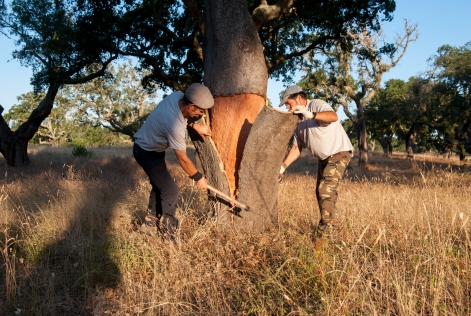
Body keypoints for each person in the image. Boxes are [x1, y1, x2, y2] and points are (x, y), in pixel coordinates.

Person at [133, 83, 214, 237]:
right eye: (200, 112)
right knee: (170, 191)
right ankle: (169, 234)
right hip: (145, 152)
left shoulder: (177, 96)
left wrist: (195, 126)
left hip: (151, 149)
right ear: (190, 106)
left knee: (159, 187)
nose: (201, 115)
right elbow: (182, 159)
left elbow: (183, 117)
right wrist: (198, 177)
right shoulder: (174, 126)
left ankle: (149, 224)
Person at [279, 85, 353, 238]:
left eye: (288, 103)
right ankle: (327, 225)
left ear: (298, 98)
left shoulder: (316, 105)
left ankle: (326, 234)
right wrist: (282, 168)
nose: (287, 107)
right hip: (324, 159)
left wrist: (310, 114)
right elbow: (296, 149)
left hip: (339, 153)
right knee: (321, 192)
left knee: (325, 190)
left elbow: (333, 116)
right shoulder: (297, 122)